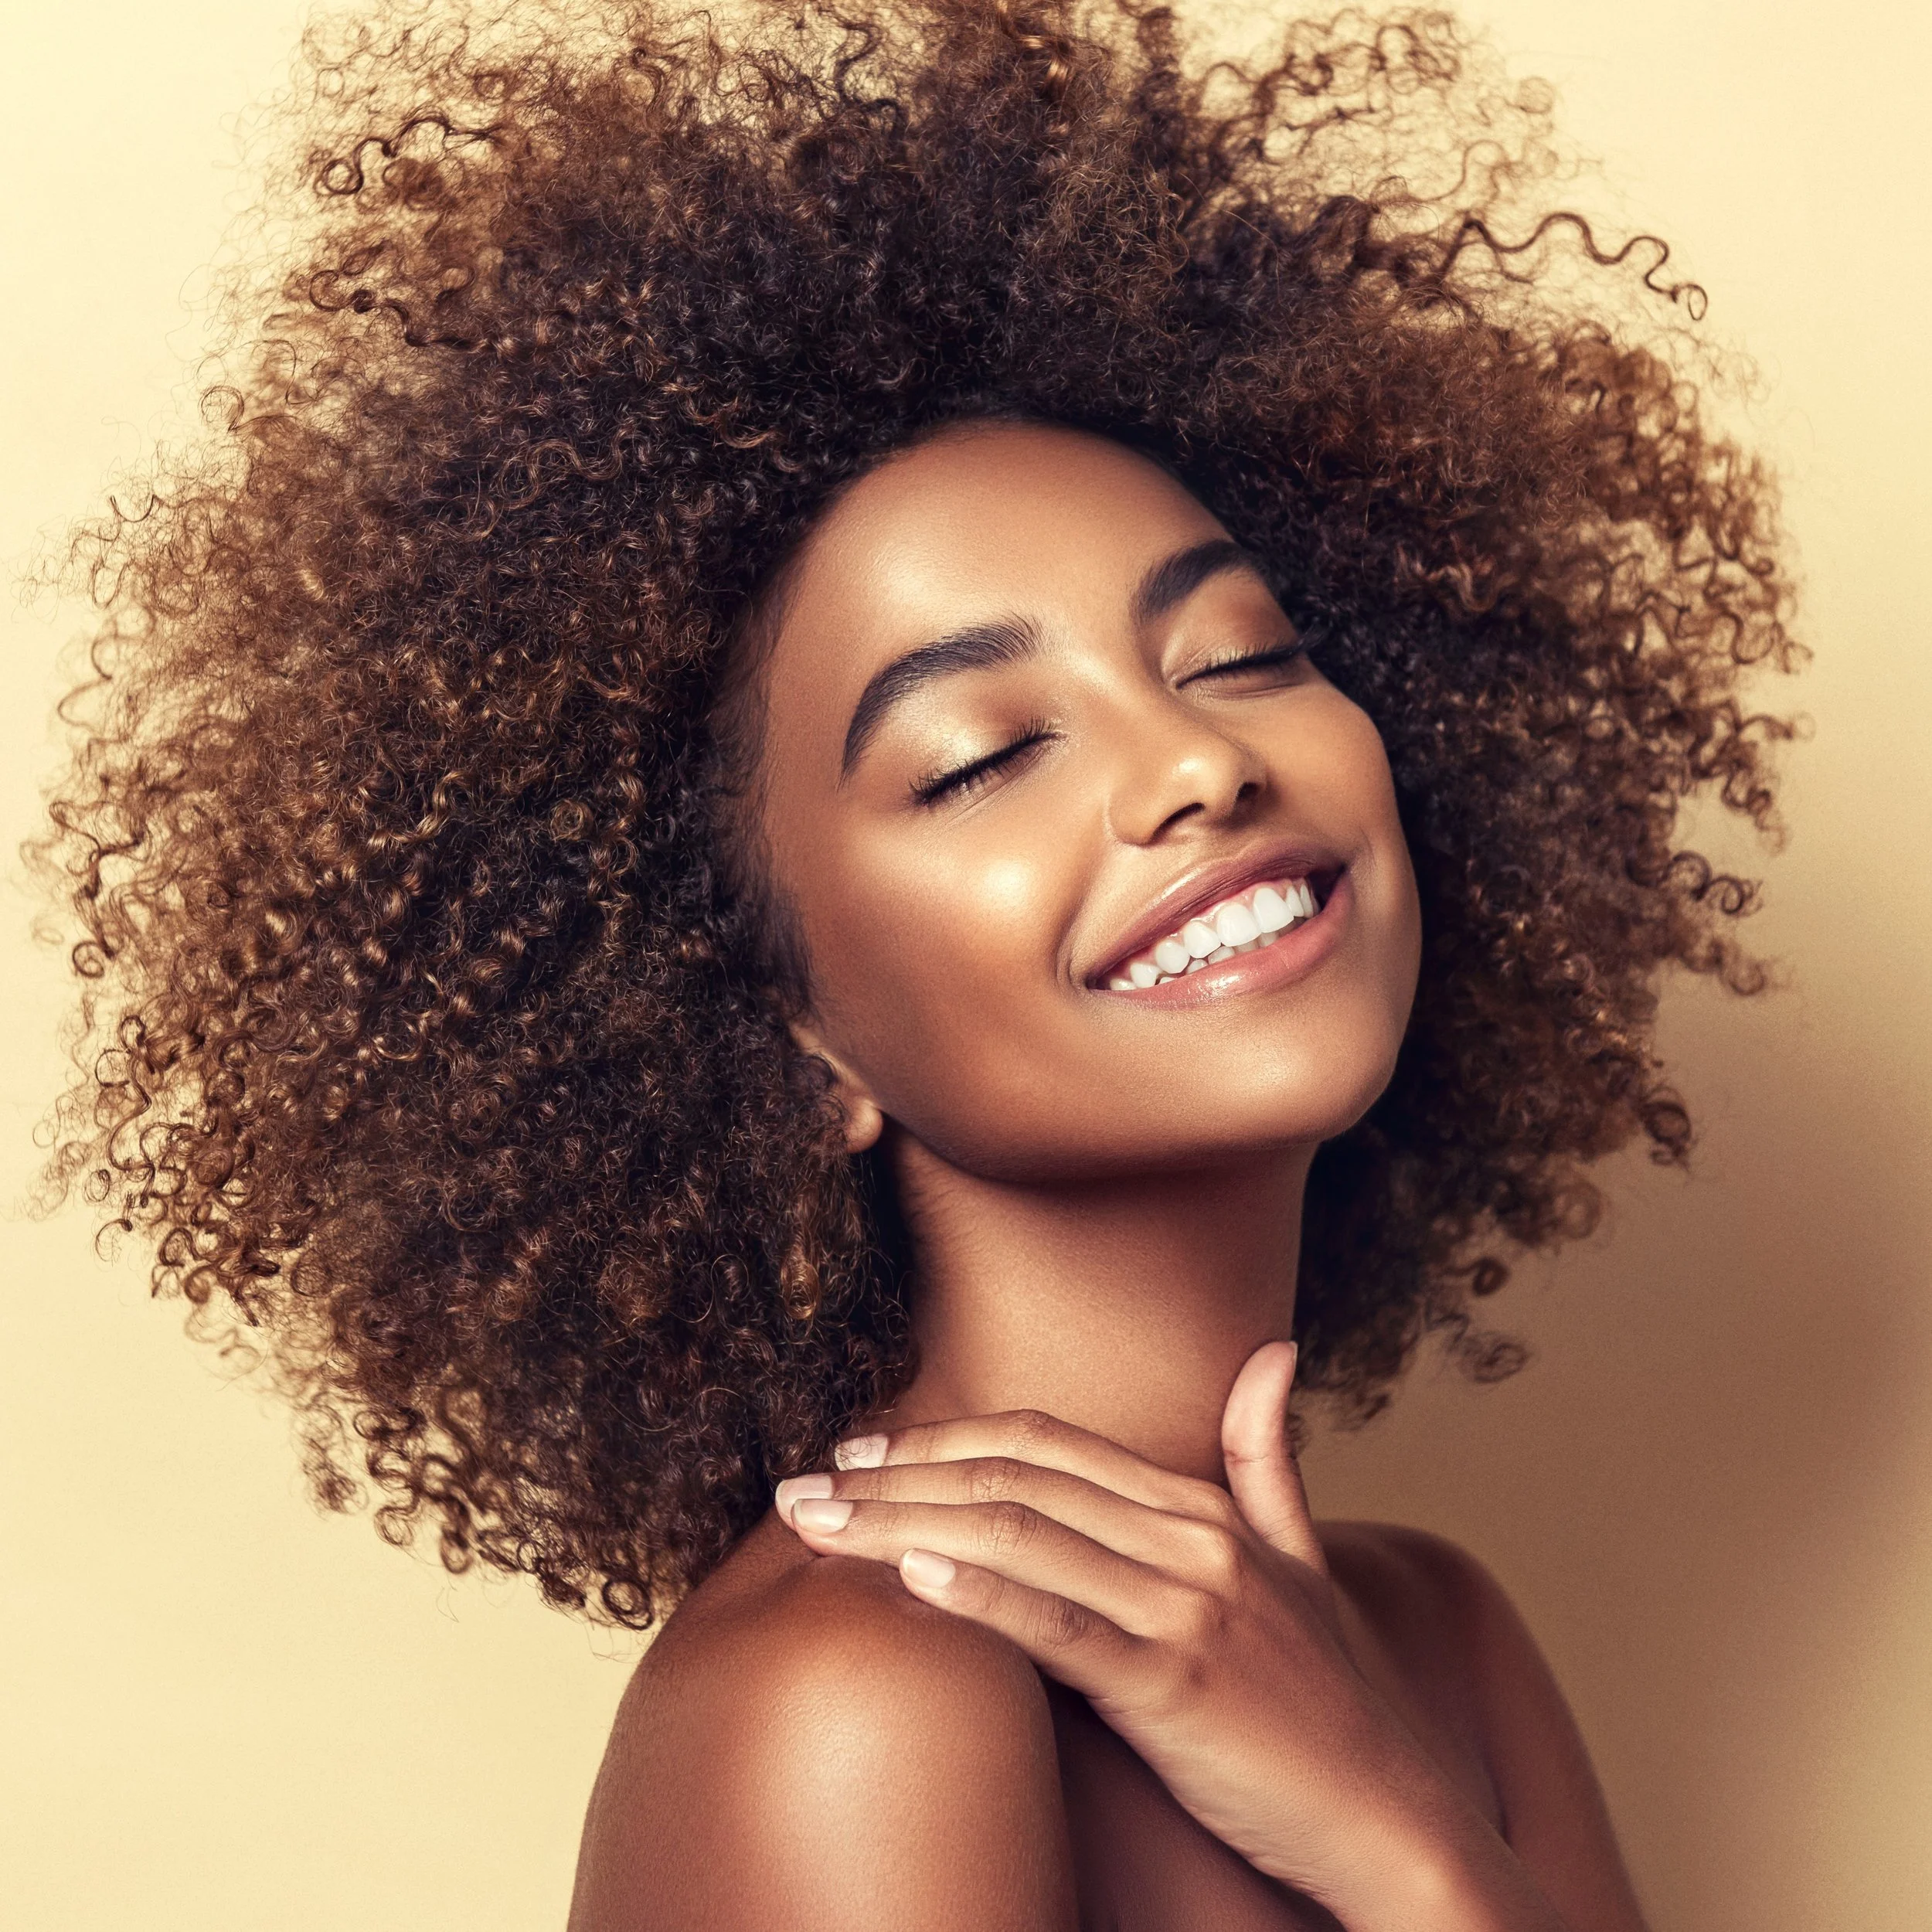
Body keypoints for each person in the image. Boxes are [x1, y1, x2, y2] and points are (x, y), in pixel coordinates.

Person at [37, 2, 1796, 1925]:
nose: (1197, 763)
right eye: (981, 756)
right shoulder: (856, 1696)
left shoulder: (1430, 1638)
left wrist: (1396, 1836)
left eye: (1241, 653)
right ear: (785, 1026)